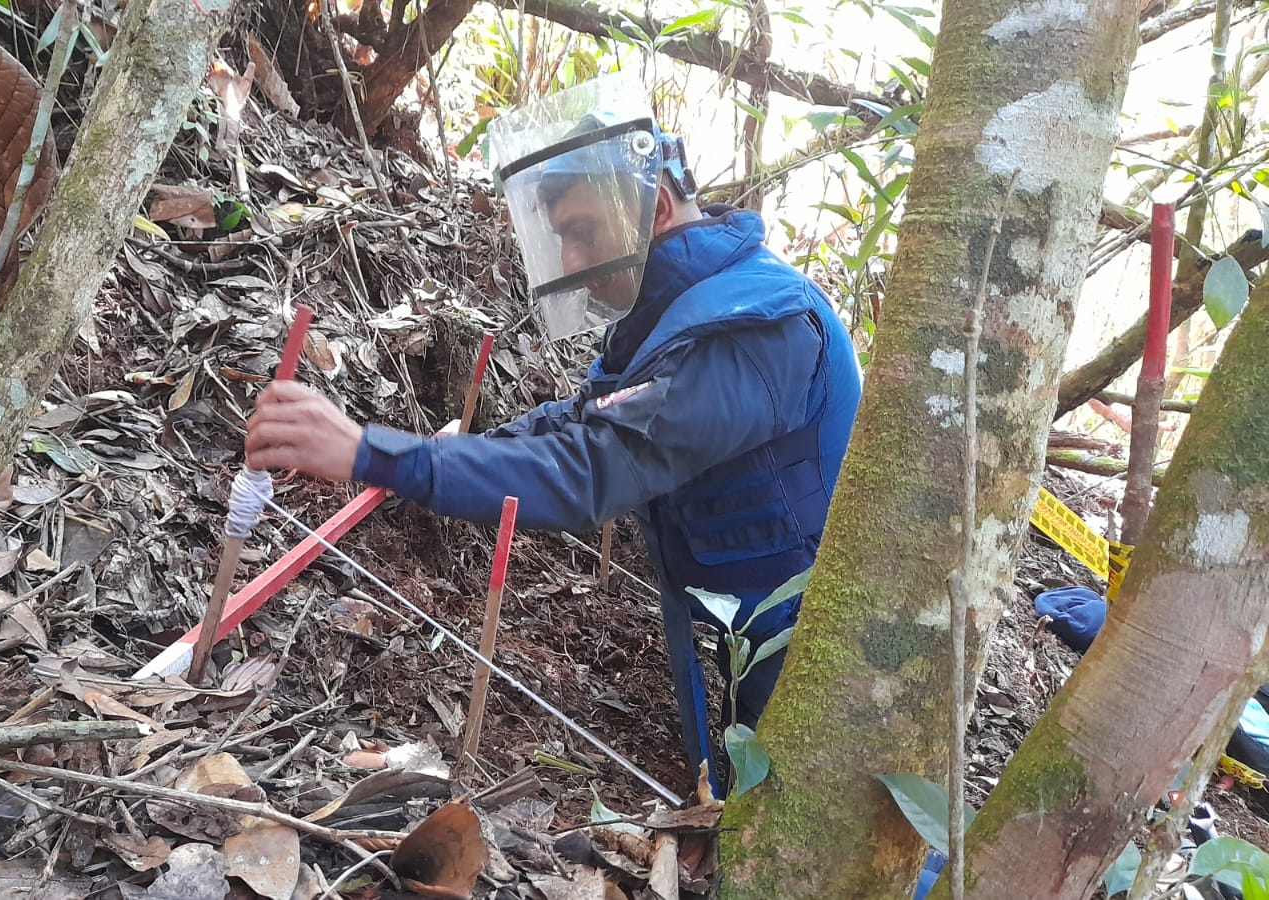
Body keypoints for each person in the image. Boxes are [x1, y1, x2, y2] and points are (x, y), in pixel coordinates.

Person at [244, 73, 862, 796]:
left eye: (582, 234)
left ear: (656, 209)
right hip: (749, 620)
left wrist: (369, 452)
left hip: (816, 643)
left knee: (807, 819)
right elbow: (585, 419)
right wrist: (437, 453)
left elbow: (592, 467)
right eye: (561, 238)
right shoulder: (683, 306)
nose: (571, 264)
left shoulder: (757, 329)